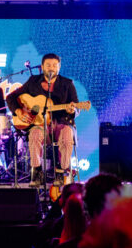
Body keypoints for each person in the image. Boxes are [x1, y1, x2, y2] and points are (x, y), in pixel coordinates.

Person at [6, 53, 78, 186]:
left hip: (60, 124)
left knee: (67, 134)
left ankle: (61, 172)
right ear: (43, 66)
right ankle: (37, 172)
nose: (52, 68)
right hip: (39, 124)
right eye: (48, 65)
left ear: (59, 67)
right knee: (34, 134)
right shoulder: (33, 81)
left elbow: (76, 106)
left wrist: (73, 110)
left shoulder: (67, 84)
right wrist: (18, 111)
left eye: (55, 65)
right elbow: (11, 97)